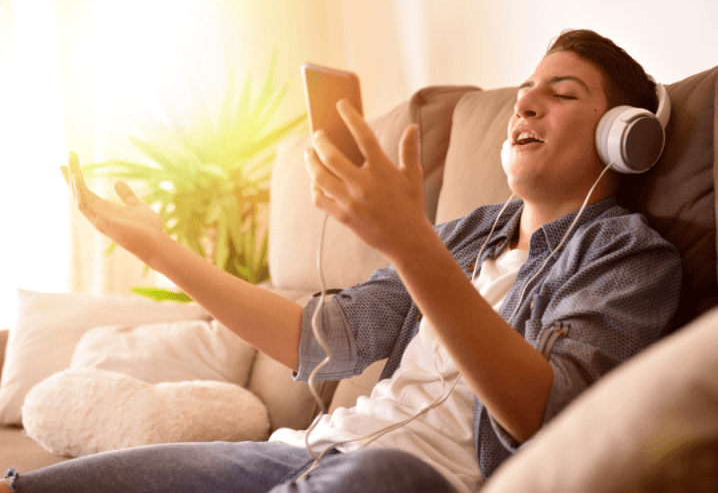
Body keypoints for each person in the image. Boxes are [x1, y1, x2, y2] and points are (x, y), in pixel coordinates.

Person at [3, 29, 680, 493]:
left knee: (379, 475)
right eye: (527, 87)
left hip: (417, 480)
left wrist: (410, 243)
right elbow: (319, 340)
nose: (523, 103)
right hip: (308, 451)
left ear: (624, 137)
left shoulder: (630, 256)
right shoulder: (468, 234)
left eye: (562, 93)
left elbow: (542, 412)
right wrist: (159, 248)